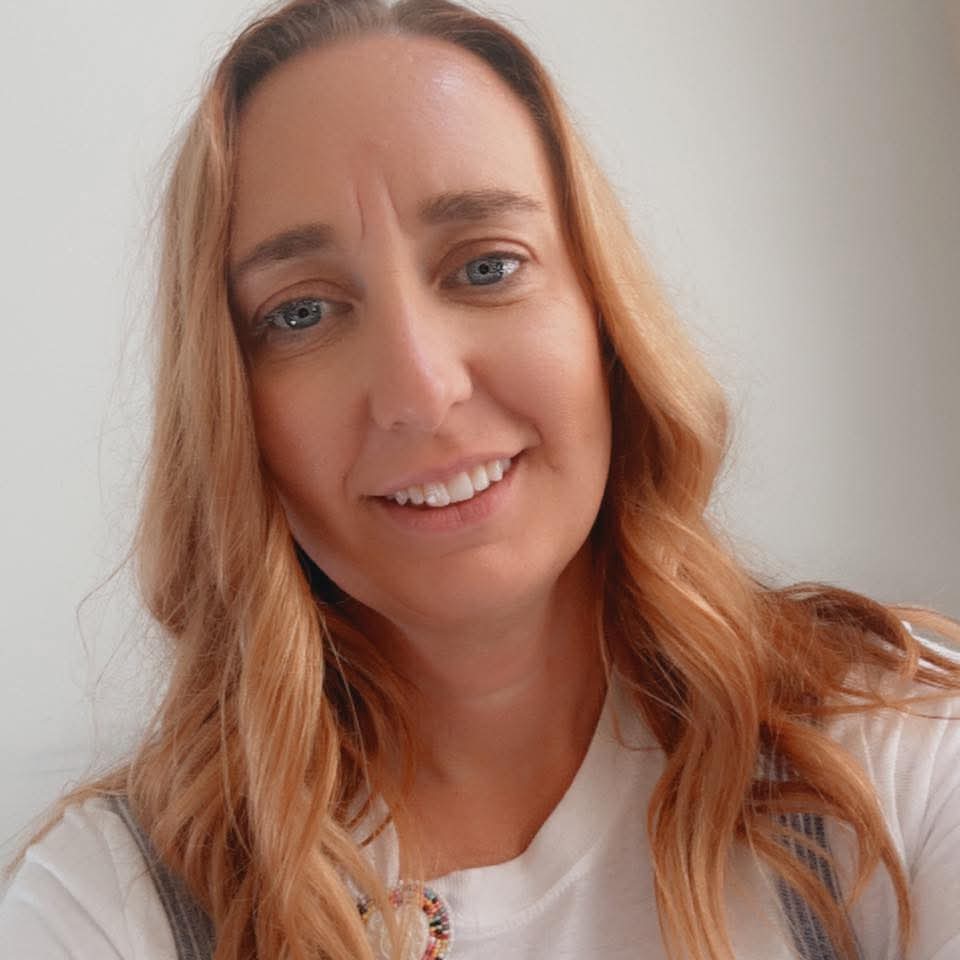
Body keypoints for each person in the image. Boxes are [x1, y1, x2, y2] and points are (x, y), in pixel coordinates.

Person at [2, 1, 959, 958]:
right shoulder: (106, 908)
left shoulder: (897, 760)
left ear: (603, 316)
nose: (420, 392)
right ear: (229, 411)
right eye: (300, 314)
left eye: (487, 267)